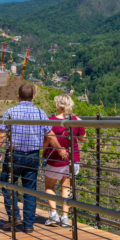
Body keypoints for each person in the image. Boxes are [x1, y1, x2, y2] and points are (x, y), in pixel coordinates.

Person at [0, 83, 62, 233]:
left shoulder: (10, 112)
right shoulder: (40, 113)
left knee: (7, 184)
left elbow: (2, 135)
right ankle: (29, 225)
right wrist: (60, 149)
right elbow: (49, 135)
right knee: (30, 190)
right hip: (33, 156)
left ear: (18, 96)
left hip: (14, 156)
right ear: (33, 97)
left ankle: (14, 217)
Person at [43, 94, 86, 228]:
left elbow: (46, 140)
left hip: (55, 159)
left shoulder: (52, 121)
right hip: (73, 159)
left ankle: (53, 215)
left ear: (58, 105)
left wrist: (43, 152)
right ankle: (65, 217)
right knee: (66, 186)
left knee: (49, 186)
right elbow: (82, 139)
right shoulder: (76, 120)